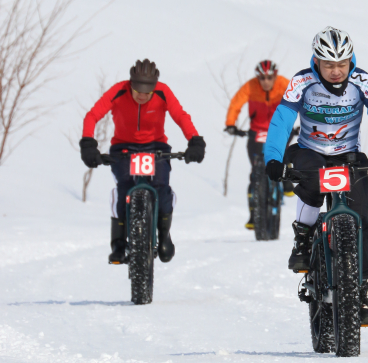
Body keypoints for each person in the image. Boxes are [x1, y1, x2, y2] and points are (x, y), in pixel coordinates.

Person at [263, 26, 368, 325]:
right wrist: (273, 159)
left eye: (341, 64)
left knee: (361, 222)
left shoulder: (362, 81)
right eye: (328, 64)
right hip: (310, 151)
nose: (335, 71)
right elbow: (282, 121)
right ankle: (303, 237)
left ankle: (361, 291)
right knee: (312, 184)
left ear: (350, 60)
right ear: (316, 61)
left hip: (347, 155)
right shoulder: (302, 81)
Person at [80, 59, 206, 264]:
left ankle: (164, 235)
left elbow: (180, 116)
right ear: (130, 84)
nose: (142, 95)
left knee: (161, 187)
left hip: (156, 148)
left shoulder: (163, 92)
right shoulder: (118, 91)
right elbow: (92, 115)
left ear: (154, 87)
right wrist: (88, 143)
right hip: (123, 149)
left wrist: (195, 140)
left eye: (147, 91)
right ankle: (119, 244)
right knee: (123, 188)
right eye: (137, 90)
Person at [225, 60, 293, 229]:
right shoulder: (250, 86)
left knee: (284, 152)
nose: (266, 82)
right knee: (256, 173)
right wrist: (231, 124)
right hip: (257, 132)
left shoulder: (284, 84)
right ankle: (254, 214)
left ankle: (286, 178)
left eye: (269, 77)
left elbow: (301, 100)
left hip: (278, 130)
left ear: (275, 76)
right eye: (262, 78)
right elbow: (236, 103)